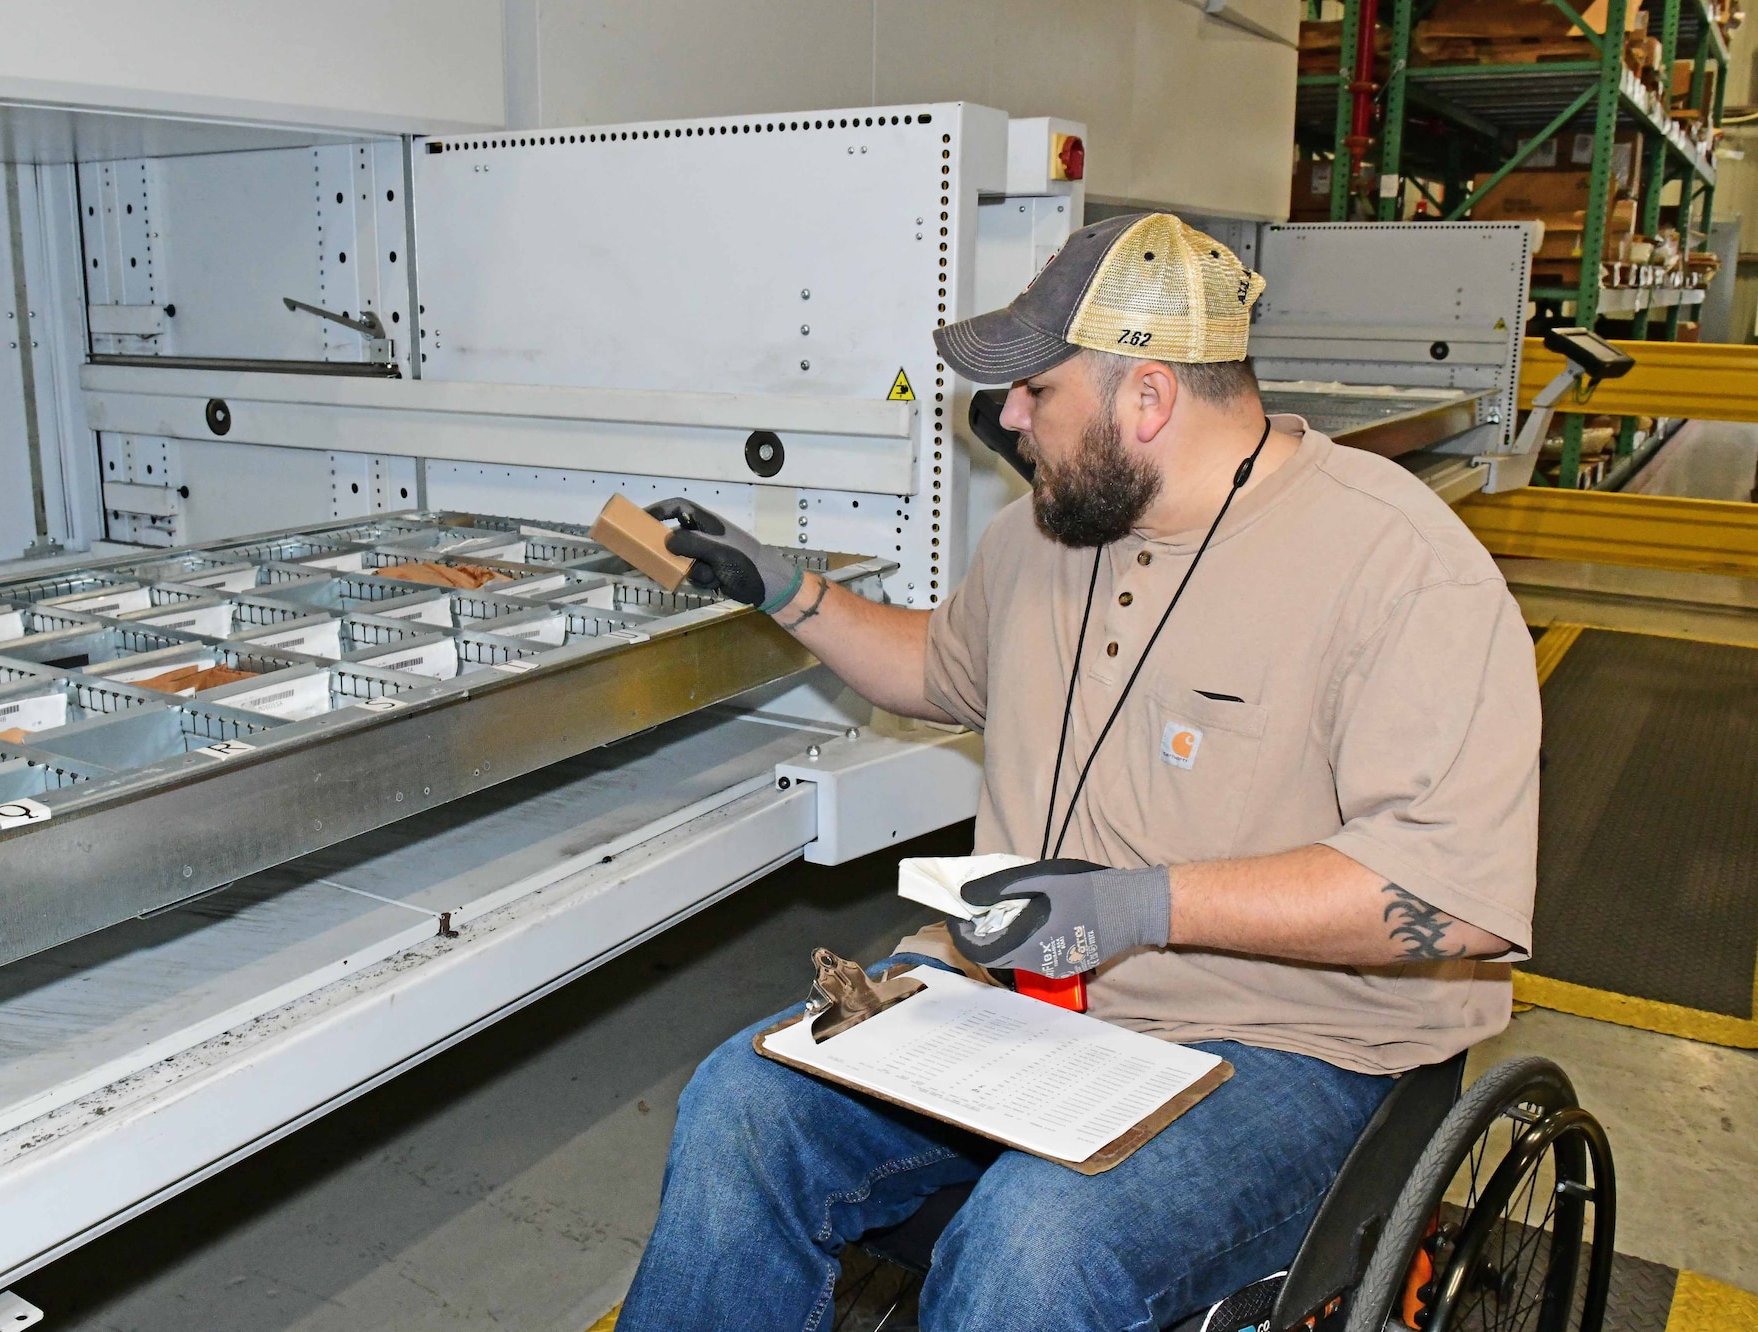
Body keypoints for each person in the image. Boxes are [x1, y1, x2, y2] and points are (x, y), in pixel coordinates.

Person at [614, 212, 1539, 1331]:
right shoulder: (1045, 536)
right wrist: (783, 590)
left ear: (1145, 400)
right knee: (742, 1107)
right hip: (1021, 1005)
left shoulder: (1397, 569)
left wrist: (1135, 904)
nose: (1003, 418)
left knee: (1033, 1243)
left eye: (1033, 392)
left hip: (1288, 1046)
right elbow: (939, 669)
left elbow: (1447, 897)